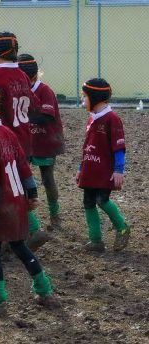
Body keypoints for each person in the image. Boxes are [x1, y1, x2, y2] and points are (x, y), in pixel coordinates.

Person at [0, 85, 58, 316]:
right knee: (20, 247)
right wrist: (33, 194)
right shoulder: (7, 132)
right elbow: (24, 167)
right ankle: (44, 290)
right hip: (17, 202)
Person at [0, 31, 49, 251]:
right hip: (24, 141)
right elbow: (35, 104)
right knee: (18, 187)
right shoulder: (21, 75)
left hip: (4, 143)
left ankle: (25, 232)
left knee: (6, 189)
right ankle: (22, 232)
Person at [78, 78, 130, 252]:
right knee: (88, 202)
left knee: (102, 200)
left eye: (84, 97)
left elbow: (119, 148)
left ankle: (122, 227)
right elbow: (87, 147)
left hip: (104, 171)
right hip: (89, 170)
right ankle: (96, 241)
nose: (82, 101)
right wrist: (80, 168)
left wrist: (118, 170)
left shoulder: (112, 119)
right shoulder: (91, 118)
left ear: (95, 97)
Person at [18, 54, 65, 231]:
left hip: (46, 140)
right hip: (27, 140)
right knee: (22, 176)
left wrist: (22, 117)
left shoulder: (45, 91)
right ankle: (25, 215)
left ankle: (55, 214)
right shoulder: (21, 91)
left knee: (47, 178)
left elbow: (46, 116)